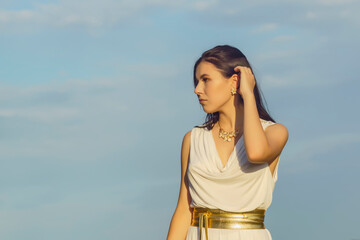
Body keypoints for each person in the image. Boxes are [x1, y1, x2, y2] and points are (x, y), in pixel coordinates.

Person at [167, 45, 289, 240]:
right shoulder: (193, 139)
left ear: (235, 82)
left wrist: (248, 94)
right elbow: (183, 210)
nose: (197, 90)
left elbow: (256, 154)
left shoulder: (275, 132)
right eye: (197, 81)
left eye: (205, 80)